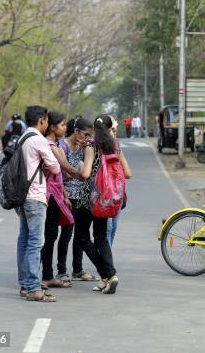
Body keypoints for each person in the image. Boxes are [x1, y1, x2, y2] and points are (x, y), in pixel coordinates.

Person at [78, 114, 130, 294]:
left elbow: (85, 174)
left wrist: (76, 169)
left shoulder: (92, 145)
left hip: (89, 199)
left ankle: (108, 274)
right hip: (108, 199)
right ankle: (108, 276)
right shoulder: (115, 146)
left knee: (82, 237)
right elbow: (128, 173)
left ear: (93, 128)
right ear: (110, 129)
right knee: (101, 237)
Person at [16, 105, 60, 302]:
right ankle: (34, 288)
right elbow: (56, 167)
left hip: (21, 196)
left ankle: (25, 285)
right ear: (42, 120)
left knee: (24, 239)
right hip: (35, 196)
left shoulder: (21, 139)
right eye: (46, 121)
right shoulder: (38, 140)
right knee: (35, 241)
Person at [40, 111, 81, 288]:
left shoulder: (56, 145)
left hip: (57, 193)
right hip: (48, 196)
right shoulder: (49, 145)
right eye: (63, 125)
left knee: (57, 232)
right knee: (49, 236)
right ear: (52, 127)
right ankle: (46, 275)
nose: (66, 128)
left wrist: (64, 193)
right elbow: (66, 168)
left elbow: (61, 174)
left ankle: (50, 273)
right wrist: (83, 174)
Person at [63, 117, 97, 281]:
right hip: (67, 197)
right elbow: (62, 174)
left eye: (90, 135)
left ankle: (78, 269)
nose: (88, 138)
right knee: (66, 234)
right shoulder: (62, 146)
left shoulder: (85, 148)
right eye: (86, 134)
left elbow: (87, 170)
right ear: (76, 131)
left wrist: (86, 151)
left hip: (83, 196)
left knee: (81, 234)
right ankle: (61, 270)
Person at [107, 116, 132, 246]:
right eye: (112, 130)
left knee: (112, 228)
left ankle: (107, 262)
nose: (114, 134)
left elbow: (128, 173)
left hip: (117, 194)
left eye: (115, 131)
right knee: (108, 229)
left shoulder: (116, 146)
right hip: (106, 195)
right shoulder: (94, 147)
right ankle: (107, 264)